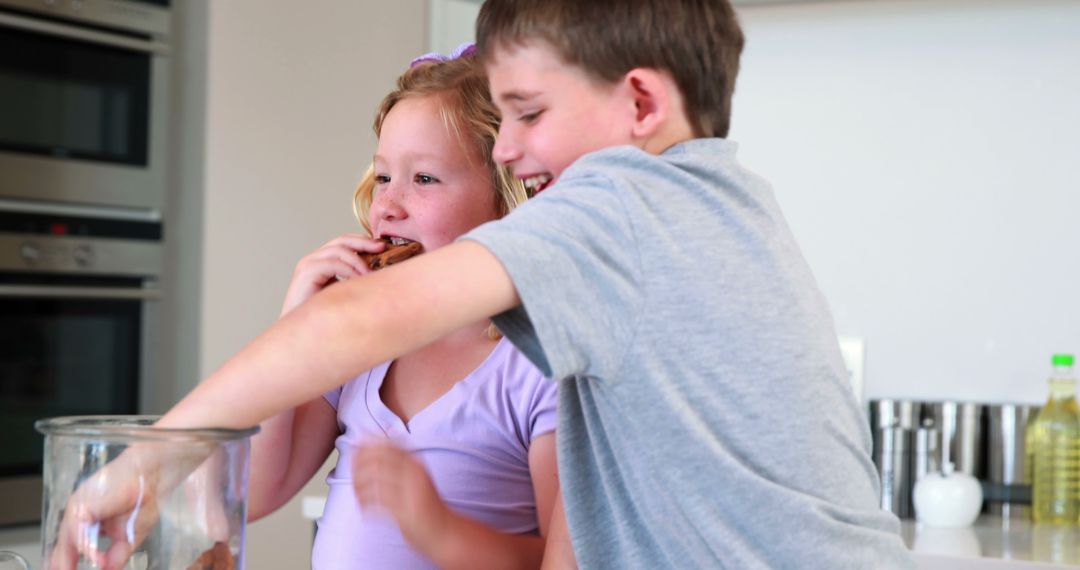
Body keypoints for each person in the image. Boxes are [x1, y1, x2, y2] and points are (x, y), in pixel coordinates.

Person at [58, 0, 917, 568]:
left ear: (642, 104)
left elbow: (355, 325)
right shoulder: (727, 206)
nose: (508, 148)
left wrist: (142, 467)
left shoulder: (623, 202)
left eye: (531, 112)